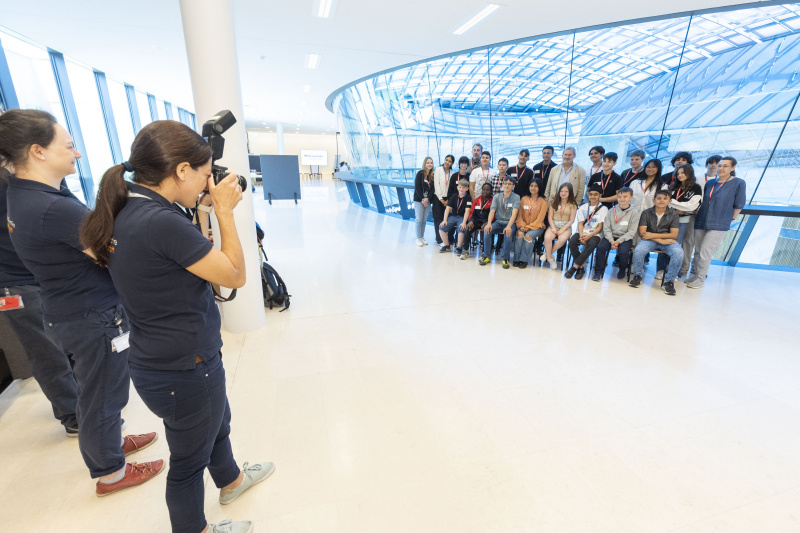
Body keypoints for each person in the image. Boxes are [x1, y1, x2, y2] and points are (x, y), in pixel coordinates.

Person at [81, 121, 273, 533]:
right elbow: (234, 275)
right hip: (185, 366)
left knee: (215, 424)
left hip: (162, 359)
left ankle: (232, 481)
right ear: (182, 170)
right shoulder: (159, 221)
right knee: (188, 463)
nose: (209, 181)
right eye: (206, 174)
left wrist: (202, 212)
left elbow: (185, 259)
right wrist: (223, 211)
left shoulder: (128, 206)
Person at [1, 109, 162, 496]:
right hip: (91, 315)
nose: (76, 154)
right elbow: (105, 251)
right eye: (68, 145)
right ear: (38, 151)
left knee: (100, 390)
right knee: (102, 394)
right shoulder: (51, 207)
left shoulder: (26, 193)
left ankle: (110, 445)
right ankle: (110, 472)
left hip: (71, 309)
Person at [0, 172, 79, 437]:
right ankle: (74, 415)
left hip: (45, 271)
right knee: (45, 350)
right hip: (14, 281)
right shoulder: (13, 179)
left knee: (70, 341)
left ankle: (86, 408)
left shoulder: (32, 176)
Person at [687, 156, 746, 289]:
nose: (721, 168)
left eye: (725, 166)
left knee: (705, 253)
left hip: (719, 223)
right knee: (697, 252)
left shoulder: (738, 183)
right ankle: (694, 276)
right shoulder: (710, 183)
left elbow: (739, 203)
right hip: (702, 220)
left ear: (733, 168)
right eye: (720, 165)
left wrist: (730, 217)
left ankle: (700, 280)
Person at [629, 190, 684, 295]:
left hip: (666, 240)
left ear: (670, 201)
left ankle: (669, 282)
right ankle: (638, 276)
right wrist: (658, 239)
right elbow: (642, 233)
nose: (661, 201)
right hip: (650, 240)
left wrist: (652, 235)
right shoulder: (646, 213)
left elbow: (673, 235)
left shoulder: (674, 214)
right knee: (639, 250)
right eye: (659, 198)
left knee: (679, 252)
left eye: (665, 198)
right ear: (654, 200)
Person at [655, 164, 702, 280]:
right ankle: (661, 270)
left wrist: (673, 203)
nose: (680, 175)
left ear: (689, 173)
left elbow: (691, 206)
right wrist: (677, 208)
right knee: (663, 243)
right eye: (678, 173)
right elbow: (664, 202)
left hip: (683, 220)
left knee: (675, 245)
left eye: (683, 173)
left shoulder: (696, 188)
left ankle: (673, 272)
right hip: (668, 219)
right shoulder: (673, 187)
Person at [679, 155, 720, 276]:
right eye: (710, 162)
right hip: (694, 213)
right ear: (706, 164)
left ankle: (697, 268)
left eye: (716, 163)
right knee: (688, 240)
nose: (713, 165)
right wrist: (695, 208)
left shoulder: (721, 181)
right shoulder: (698, 179)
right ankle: (684, 267)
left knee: (703, 244)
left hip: (710, 214)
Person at [593, 187, 639, 281]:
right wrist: (611, 240)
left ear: (631, 197)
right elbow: (606, 228)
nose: (622, 199)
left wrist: (618, 241)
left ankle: (622, 269)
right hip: (610, 236)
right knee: (601, 248)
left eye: (625, 196)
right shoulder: (611, 211)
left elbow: (632, 231)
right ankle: (598, 271)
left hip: (624, 238)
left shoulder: (634, 212)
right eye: (620, 196)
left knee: (623, 252)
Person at [565, 185, 608, 280]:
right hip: (582, 231)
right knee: (572, 241)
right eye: (591, 194)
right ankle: (580, 268)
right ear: (588, 195)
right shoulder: (583, 207)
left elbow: (600, 227)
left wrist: (588, 236)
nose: (593, 196)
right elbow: (580, 223)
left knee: (592, 244)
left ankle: (575, 267)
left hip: (595, 234)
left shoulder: (603, 209)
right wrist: (581, 235)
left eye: (596, 195)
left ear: (600, 195)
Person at [480, 176, 520, 269]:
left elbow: (514, 214)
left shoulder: (516, 197)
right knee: (487, 231)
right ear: (502, 185)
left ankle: (505, 258)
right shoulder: (496, 196)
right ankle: (486, 256)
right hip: (498, 222)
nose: (507, 185)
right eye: (505, 183)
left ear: (513, 186)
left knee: (508, 235)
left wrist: (509, 226)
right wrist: (489, 223)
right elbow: (492, 211)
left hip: (510, 223)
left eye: (509, 184)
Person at [513, 177, 547, 269]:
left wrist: (529, 227)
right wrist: (523, 226)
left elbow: (540, 219)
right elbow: (519, 215)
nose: (533, 188)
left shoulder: (543, 201)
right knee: (519, 233)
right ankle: (516, 259)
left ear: (540, 188)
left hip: (537, 227)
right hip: (523, 225)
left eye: (536, 186)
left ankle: (524, 260)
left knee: (528, 236)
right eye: (531, 185)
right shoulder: (523, 199)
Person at [542, 183, 578, 270]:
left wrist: (563, 229)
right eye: (561, 191)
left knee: (562, 240)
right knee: (547, 238)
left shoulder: (573, 204)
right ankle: (551, 259)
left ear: (570, 192)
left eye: (566, 191)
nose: (563, 193)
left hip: (566, 226)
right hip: (553, 224)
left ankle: (547, 254)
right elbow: (550, 217)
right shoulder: (554, 202)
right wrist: (553, 227)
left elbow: (572, 220)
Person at [438, 179, 472, 255]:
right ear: (457, 188)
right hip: (453, 216)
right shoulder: (454, 196)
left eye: (464, 188)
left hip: (462, 217)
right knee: (441, 227)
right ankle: (447, 245)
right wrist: (445, 220)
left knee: (461, 228)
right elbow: (447, 208)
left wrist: (464, 223)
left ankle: (458, 248)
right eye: (460, 187)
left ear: (467, 189)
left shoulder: (468, 197)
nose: (461, 189)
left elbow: (467, 211)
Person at [462, 182, 493, 260]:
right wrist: (471, 221)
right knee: (468, 228)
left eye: (488, 190)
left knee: (487, 230)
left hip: (486, 221)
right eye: (484, 189)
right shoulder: (476, 200)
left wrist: (488, 223)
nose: (485, 191)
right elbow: (472, 212)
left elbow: (494, 214)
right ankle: (465, 250)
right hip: (476, 220)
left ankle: (484, 252)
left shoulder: (493, 201)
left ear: (491, 191)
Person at [432, 154, 455, 245]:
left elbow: (451, 188)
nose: (447, 162)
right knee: (438, 218)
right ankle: (439, 239)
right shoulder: (438, 170)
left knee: (446, 219)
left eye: (450, 161)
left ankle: (446, 238)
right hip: (438, 198)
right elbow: (436, 186)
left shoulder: (452, 173)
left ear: (452, 163)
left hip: (447, 199)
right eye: (446, 160)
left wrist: (448, 201)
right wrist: (442, 200)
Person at [413, 156, 435, 246]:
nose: (429, 164)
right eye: (428, 163)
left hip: (428, 200)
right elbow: (417, 187)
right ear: (424, 164)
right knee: (419, 219)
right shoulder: (420, 174)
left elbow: (433, 189)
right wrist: (423, 198)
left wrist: (428, 199)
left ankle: (422, 237)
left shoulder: (432, 176)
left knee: (424, 220)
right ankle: (418, 238)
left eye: (431, 163)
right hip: (419, 200)